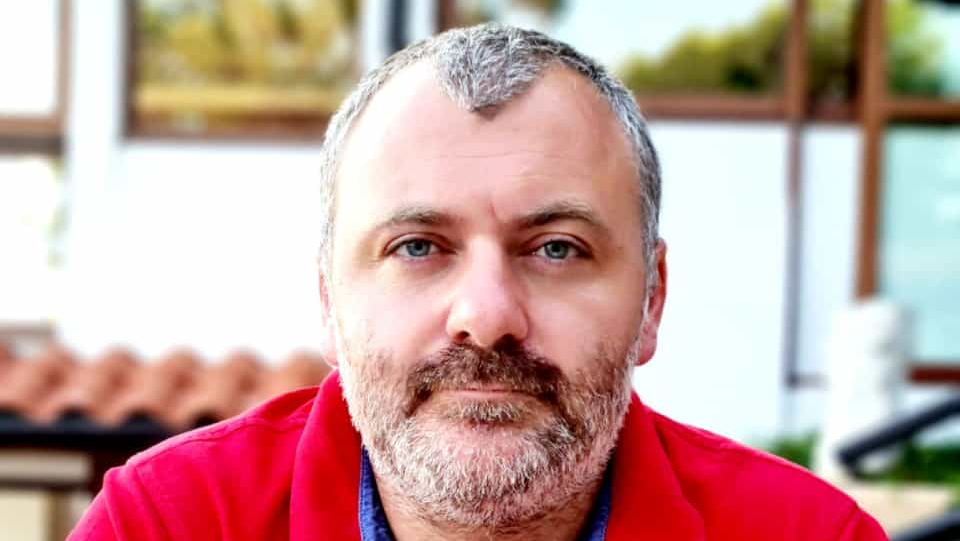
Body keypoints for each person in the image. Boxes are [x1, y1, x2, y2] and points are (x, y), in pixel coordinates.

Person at [69, 24, 888, 541]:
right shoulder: (168, 522)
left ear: (652, 300)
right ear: (328, 299)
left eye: (557, 248)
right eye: (418, 246)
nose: (488, 315)